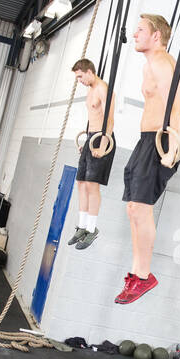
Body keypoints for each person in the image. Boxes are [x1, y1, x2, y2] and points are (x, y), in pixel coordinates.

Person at [115, 13, 180, 305]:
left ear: (156, 36)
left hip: (161, 140)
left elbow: (176, 102)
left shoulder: (162, 63)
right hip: (146, 140)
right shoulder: (149, 65)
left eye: (140, 30)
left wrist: (172, 147)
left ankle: (144, 276)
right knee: (133, 209)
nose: (134, 35)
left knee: (140, 210)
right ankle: (135, 271)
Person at [67, 58, 115, 251]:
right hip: (90, 138)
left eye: (80, 76)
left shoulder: (103, 88)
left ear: (89, 71)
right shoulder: (90, 91)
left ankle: (92, 229)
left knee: (92, 186)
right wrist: (86, 140)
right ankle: (83, 226)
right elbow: (92, 117)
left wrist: (102, 145)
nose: (79, 81)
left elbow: (109, 120)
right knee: (81, 183)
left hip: (102, 139)